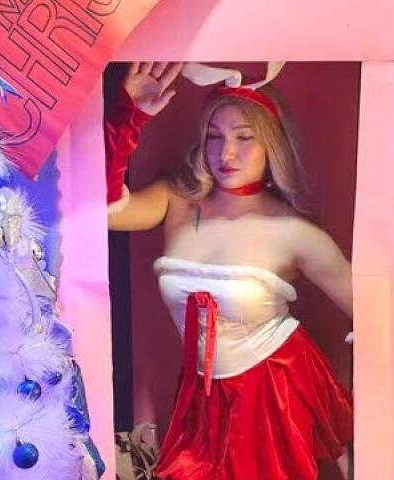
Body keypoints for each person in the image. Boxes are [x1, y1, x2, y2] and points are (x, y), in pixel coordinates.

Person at [105, 62, 353, 480]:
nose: (227, 153)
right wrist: (129, 116)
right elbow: (103, 210)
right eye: (215, 136)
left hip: (274, 396)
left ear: (271, 143)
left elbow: (379, 316)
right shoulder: (175, 199)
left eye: (244, 137)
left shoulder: (295, 232)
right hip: (201, 400)